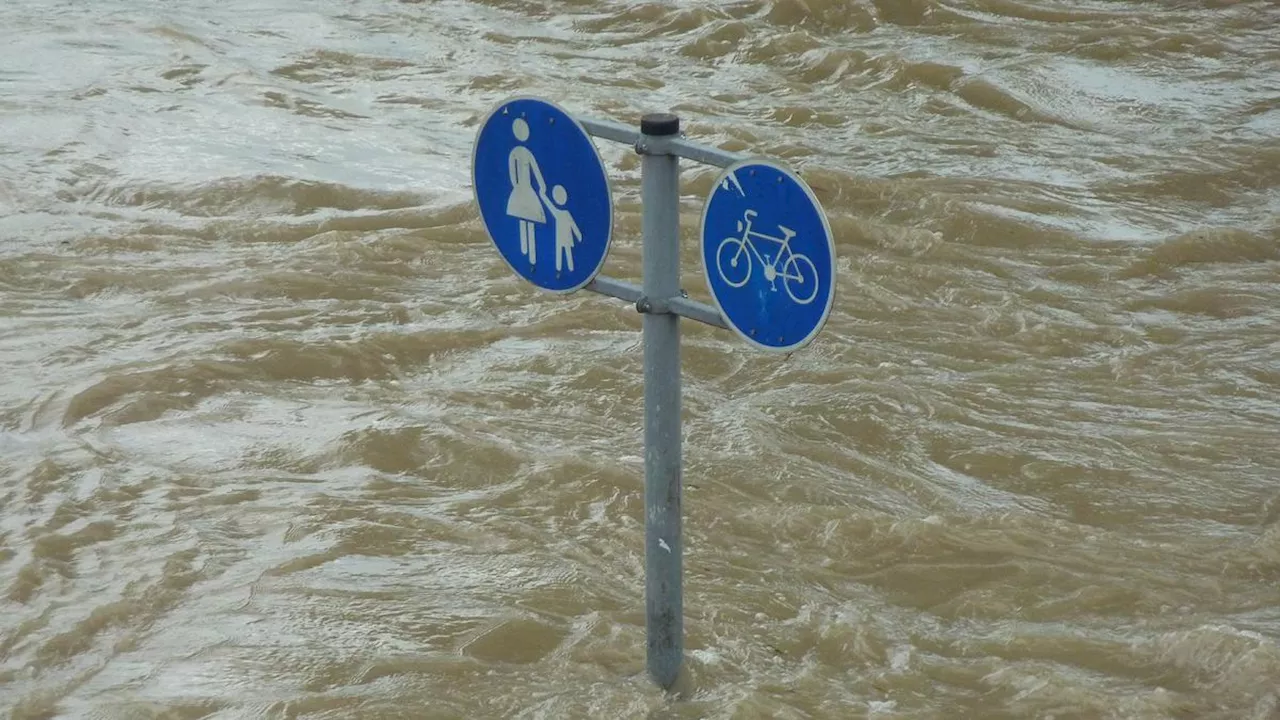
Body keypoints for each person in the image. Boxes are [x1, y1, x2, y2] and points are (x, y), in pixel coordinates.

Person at [505, 118, 546, 264]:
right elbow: (515, 172)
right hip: (524, 189)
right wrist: (540, 186)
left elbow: (534, 170)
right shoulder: (519, 153)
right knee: (525, 218)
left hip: (523, 189)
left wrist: (540, 185)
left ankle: (530, 256)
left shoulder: (519, 152)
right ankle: (527, 255)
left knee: (527, 218)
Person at [542, 185, 581, 273]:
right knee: (562, 252)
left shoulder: (562, 213)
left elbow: (573, 225)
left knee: (564, 252)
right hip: (562, 237)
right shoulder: (561, 213)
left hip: (564, 237)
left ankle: (567, 269)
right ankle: (562, 269)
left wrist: (578, 235)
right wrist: (543, 196)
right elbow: (549, 206)